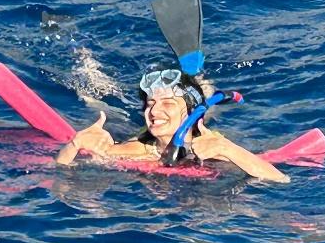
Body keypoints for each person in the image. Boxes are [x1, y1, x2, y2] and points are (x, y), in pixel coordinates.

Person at [56, 67, 289, 183]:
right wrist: (74, 145)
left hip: (196, 127)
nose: (154, 111)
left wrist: (227, 148)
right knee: (98, 105)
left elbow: (280, 181)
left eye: (167, 103)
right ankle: (86, 67)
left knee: (204, 104)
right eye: (149, 103)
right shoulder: (136, 150)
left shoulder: (213, 148)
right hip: (143, 137)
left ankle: (200, 81)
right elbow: (60, 177)